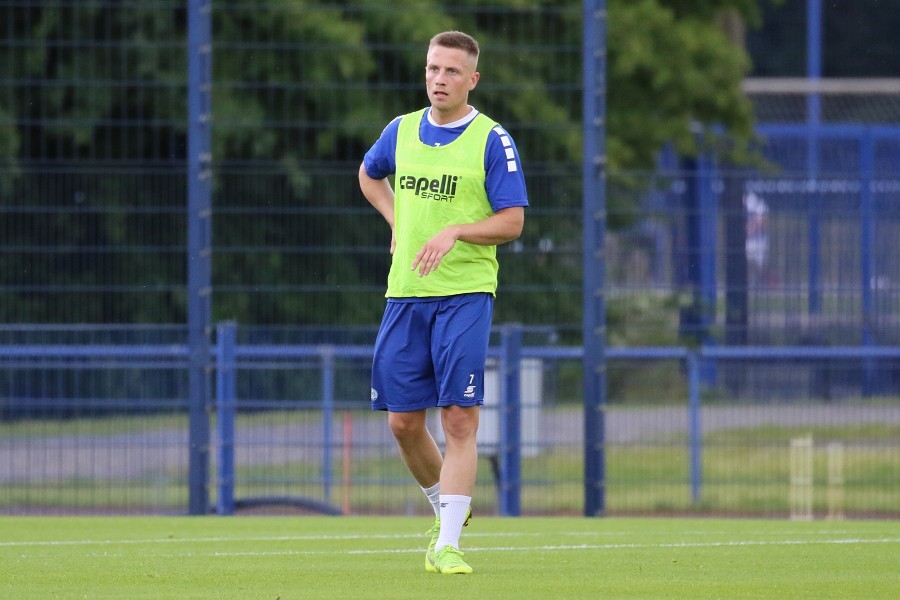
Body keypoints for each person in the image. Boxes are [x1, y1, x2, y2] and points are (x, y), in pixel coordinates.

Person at [358, 30, 528, 575]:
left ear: (472, 80)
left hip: (465, 296)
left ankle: (449, 543)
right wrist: (396, 221)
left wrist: (455, 230)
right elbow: (368, 174)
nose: (439, 79)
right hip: (405, 294)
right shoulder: (400, 130)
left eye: (452, 71)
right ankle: (446, 510)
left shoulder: (491, 140)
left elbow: (513, 221)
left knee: (459, 418)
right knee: (403, 424)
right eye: (433, 69)